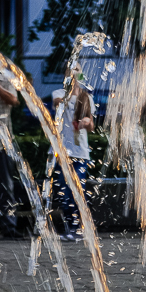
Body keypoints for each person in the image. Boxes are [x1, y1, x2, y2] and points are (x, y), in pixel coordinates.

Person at [51, 74, 94, 241]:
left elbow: (91, 125)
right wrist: (72, 91)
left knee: (78, 191)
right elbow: (57, 104)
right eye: (72, 72)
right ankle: (71, 226)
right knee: (64, 191)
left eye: (78, 73)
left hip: (81, 153)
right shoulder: (59, 93)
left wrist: (85, 121)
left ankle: (78, 228)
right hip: (63, 153)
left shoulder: (87, 97)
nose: (76, 76)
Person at [0, 65, 23, 238]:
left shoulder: (7, 77)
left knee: (5, 186)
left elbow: (14, 100)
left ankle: (9, 227)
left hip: (0, 143)